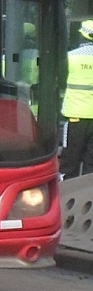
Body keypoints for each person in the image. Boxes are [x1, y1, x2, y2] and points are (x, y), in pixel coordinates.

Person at [58, 20, 93, 179]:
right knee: (91, 162)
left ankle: (66, 194)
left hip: (75, 115)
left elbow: (60, 80)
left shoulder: (70, 57)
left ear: (83, 35)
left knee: (70, 159)